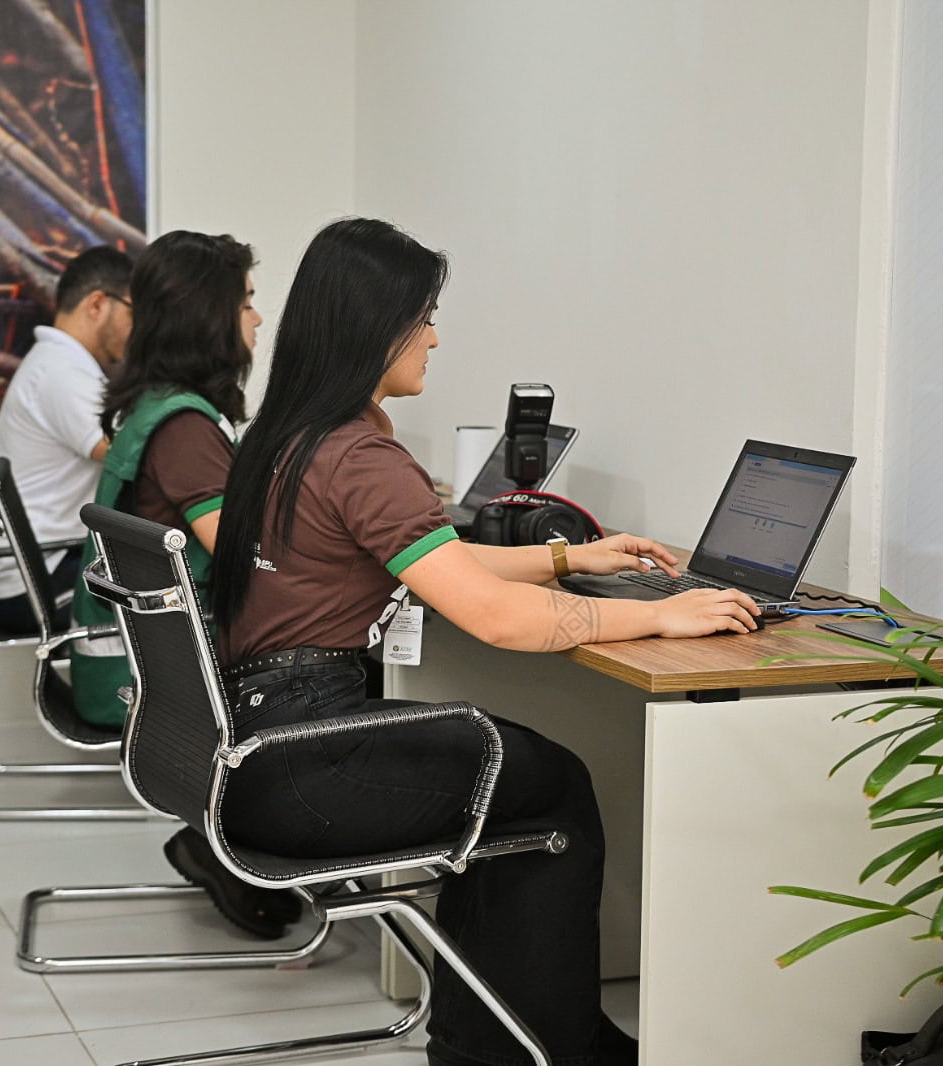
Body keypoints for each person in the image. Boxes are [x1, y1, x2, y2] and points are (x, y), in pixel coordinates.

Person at [209, 218, 760, 1066]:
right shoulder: (359, 457)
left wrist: (568, 558)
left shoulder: (287, 436)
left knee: (507, 774)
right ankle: (549, 1049)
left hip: (258, 749)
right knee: (552, 786)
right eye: (424, 318)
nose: (434, 338)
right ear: (375, 327)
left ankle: (490, 1043)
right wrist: (662, 615)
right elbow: (497, 620)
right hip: (309, 764)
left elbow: (439, 563)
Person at [66, 230, 300, 940]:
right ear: (209, 315)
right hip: (181, 677)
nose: (258, 318)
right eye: (247, 302)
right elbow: (243, 554)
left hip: (148, 664)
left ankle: (234, 839)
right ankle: (261, 842)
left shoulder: (156, 408)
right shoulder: (187, 430)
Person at [0, 246, 135, 632]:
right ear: (97, 304)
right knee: (178, 601)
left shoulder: (62, 362)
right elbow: (127, 455)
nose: (138, 330)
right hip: (36, 581)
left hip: (46, 563)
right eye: (134, 313)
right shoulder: (61, 371)